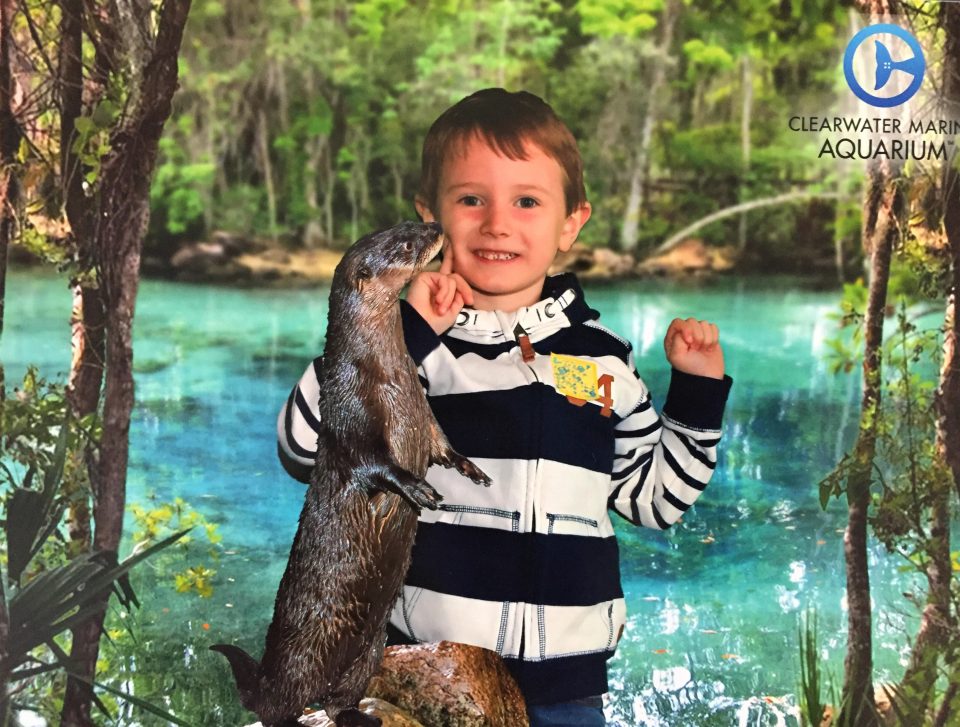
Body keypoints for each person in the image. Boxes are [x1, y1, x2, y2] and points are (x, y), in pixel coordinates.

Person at [277, 88, 732, 727]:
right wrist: (399, 334)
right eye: (471, 199)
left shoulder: (604, 360)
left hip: (568, 690)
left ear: (571, 222)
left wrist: (698, 394)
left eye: (526, 201)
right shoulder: (409, 348)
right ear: (428, 219)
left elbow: (655, 501)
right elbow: (302, 448)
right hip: (432, 671)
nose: (497, 222)